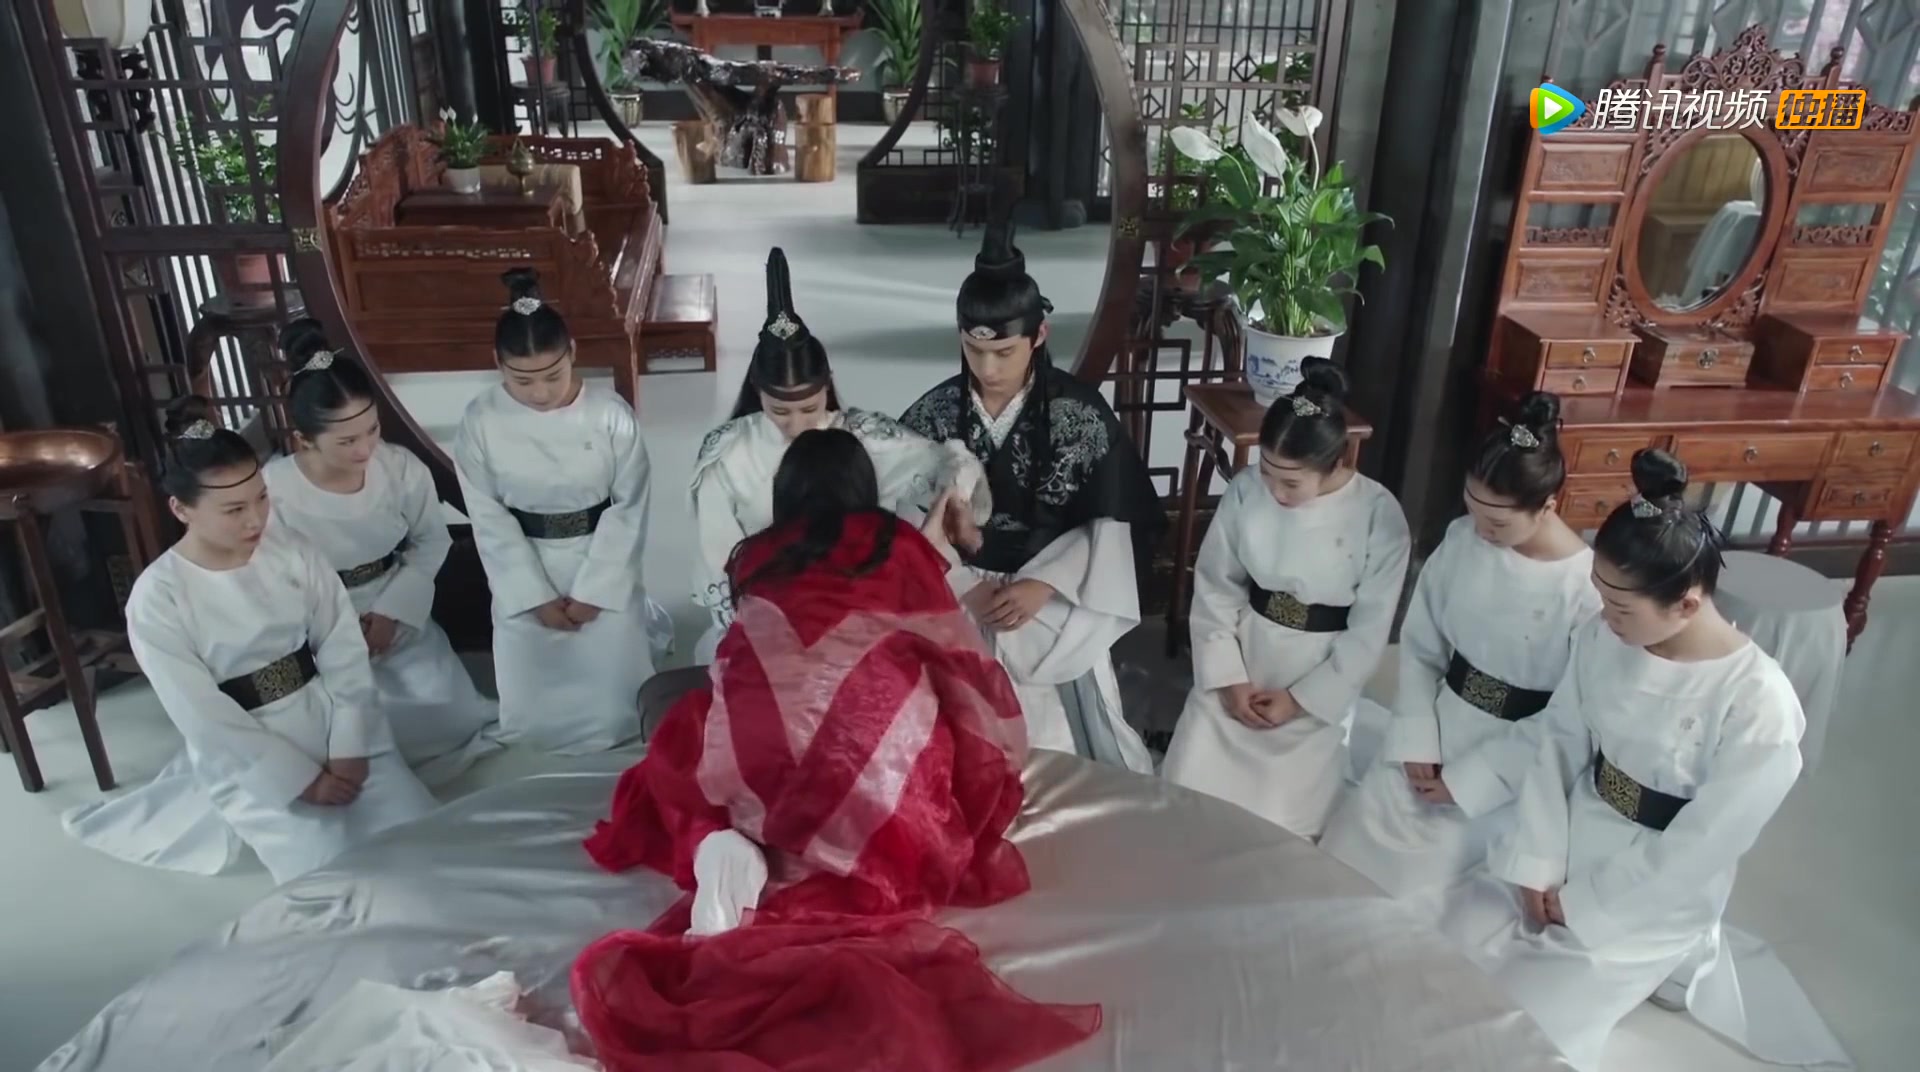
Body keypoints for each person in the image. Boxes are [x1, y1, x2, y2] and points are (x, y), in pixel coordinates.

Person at [573, 428, 1099, 1070]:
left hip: (761, 768)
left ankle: (732, 839)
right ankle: (839, 828)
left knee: (691, 728)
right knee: (935, 702)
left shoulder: (756, 554)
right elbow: (958, 661)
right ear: (863, 489)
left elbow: (745, 652)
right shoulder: (899, 546)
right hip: (874, 775)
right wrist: (985, 762)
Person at [1434, 449, 1804, 1071]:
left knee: (1517, 1031)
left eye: (1621, 607)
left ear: (1688, 604)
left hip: (1649, 888)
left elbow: (1705, 843)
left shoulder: (1757, 703)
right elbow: (1558, 744)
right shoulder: (1603, 637)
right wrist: (1539, 861)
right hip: (1575, 833)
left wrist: (1586, 903)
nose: (1604, 618)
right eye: (1602, 597)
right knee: (1443, 959)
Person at [64, 398, 437, 883]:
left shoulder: (292, 552)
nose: (255, 520)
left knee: (425, 843)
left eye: (261, 498)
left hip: (325, 713)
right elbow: (201, 713)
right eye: (234, 509)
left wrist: (349, 742)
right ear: (181, 509)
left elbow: (341, 647)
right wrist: (299, 780)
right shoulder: (159, 597)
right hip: (248, 749)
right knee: (336, 877)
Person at [899, 220, 1162, 773]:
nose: (988, 369)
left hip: (1055, 594)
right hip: (958, 591)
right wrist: (965, 587)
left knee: (1055, 746)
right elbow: (904, 522)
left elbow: (1114, 523)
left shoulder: (1080, 418)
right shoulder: (933, 417)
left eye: (1004, 351)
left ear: (1039, 335)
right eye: (974, 350)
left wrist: (1046, 584)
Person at [1320, 392, 1597, 903]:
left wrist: (1474, 781)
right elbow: (1422, 646)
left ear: (1547, 506)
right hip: (1441, 720)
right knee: (1350, 852)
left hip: (1515, 755)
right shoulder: (1463, 538)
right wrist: (1417, 738)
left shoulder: (1583, 590)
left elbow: (1570, 718)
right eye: (1473, 510)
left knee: (1430, 894)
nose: (1481, 531)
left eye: (1498, 523)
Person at [689, 248, 989, 661]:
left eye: (809, 408)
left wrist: (957, 501)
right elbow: (720, 565)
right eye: (780, 412)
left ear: (827, 386)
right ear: (757, 391)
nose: (797, 425)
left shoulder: (861, 437)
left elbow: (949, 460)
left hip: (863, 617)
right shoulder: (727, 455)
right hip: (767, 623)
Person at [1159, 361, 1410, 838]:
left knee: (1281, 829)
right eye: (1268, 471)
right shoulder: (1246, 490)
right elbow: (1217, 584)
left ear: (1337, 462)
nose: (1275, 491)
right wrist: (1229, 679)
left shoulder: (1379, 515)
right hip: (1247, 651)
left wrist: (1300, 700)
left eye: (1291, 482)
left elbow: (1369, 630)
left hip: (1317, 672)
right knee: (1188, 797)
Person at [263, 319, 500, 784]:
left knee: (443, 716)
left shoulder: (399, 468)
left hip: (390, 602)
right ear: (304, 439)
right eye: (346, 441)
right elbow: (268, 573)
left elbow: (431, 540)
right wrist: (333, 630)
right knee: (337, 727)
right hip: (316, 618)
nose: (365, 448)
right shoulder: (275, 489)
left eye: (371, 430)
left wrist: (392, 612)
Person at [454, 268, 663, 754]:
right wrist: (533, 595)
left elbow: (629, 505)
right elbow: (487, 515)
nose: (541, 393)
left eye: (553, 375)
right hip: (526, 558)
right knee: (532, 699)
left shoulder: (610, 415)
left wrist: (594, 591)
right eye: (522, 380)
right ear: (498, 363)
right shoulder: (481, 420)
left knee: (613, 698)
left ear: (572, 352)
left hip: (599, 556)